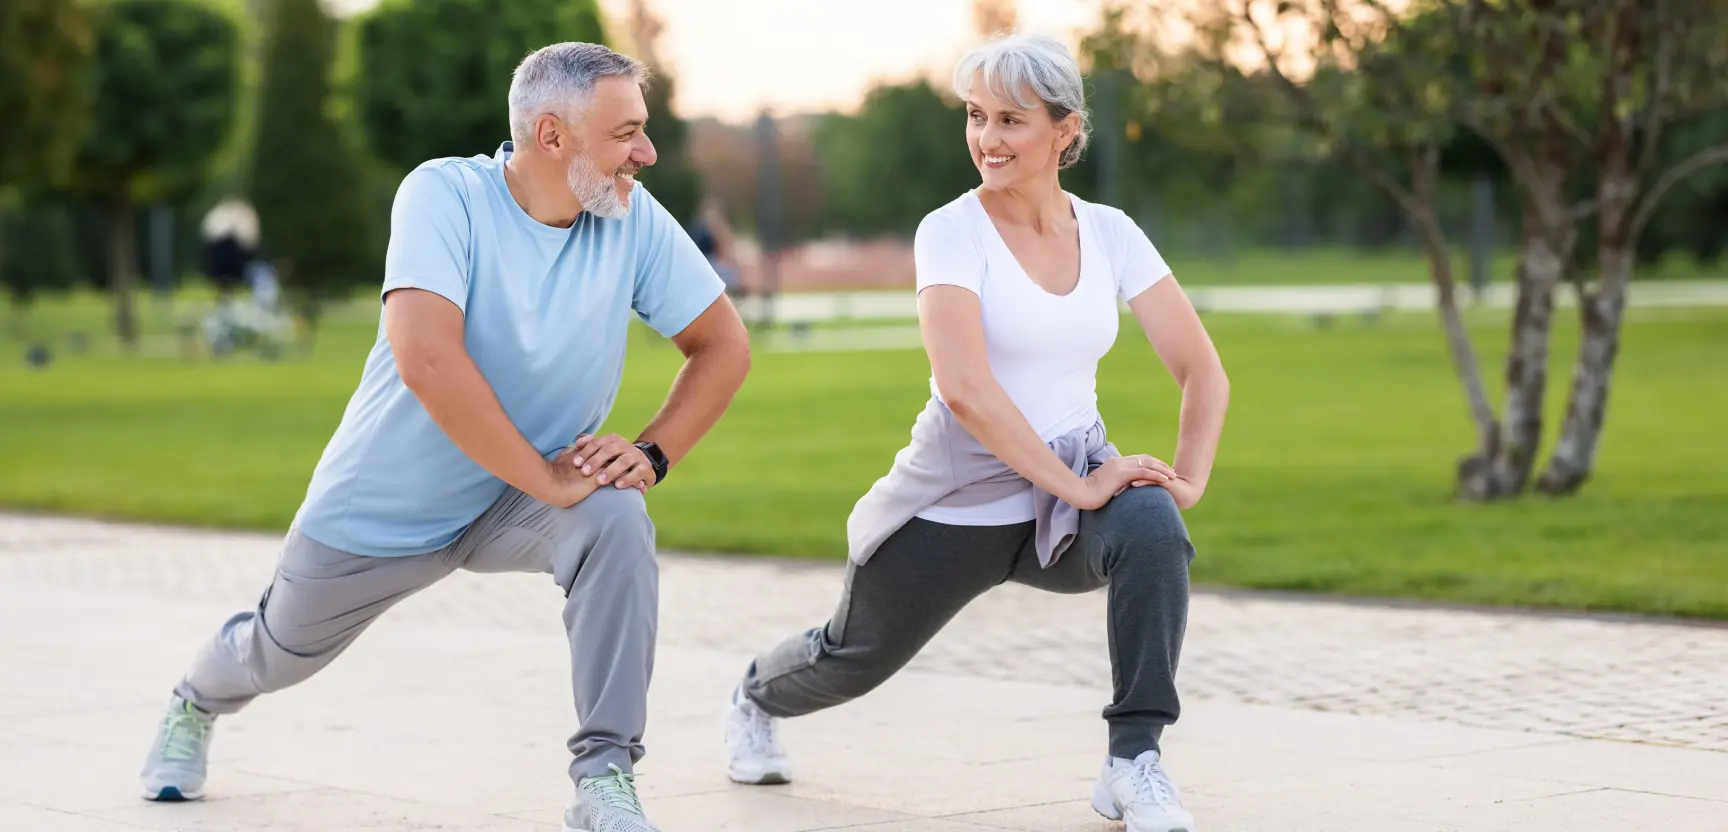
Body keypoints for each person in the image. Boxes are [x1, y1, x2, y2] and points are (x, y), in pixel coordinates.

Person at [138, 42, 751, 832]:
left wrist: (653, 451)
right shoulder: (442, 196)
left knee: (617, 519)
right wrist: (549, 477)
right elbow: (426, 357)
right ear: (552, 136)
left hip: (517, 498)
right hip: (387, 508)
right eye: (625, 132)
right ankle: (195, 699)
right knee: (276, 652)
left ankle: (604, 777)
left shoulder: (629, 217)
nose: (646, 152)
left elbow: (723, 345)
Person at [721, 34, 1227, 832]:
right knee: (851, 660)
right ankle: (753, 695)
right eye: (976, 116)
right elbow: (965, 390)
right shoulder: (951, 232)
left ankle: (1134, 760)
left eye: (1012, 120)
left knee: (1153, 527)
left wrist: (1186, 481)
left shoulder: (1112, 233)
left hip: (1061, 507)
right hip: (955, 502)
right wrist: (1084, 483)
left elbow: (1204, 371)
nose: (987, 139)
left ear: (1065, 131)